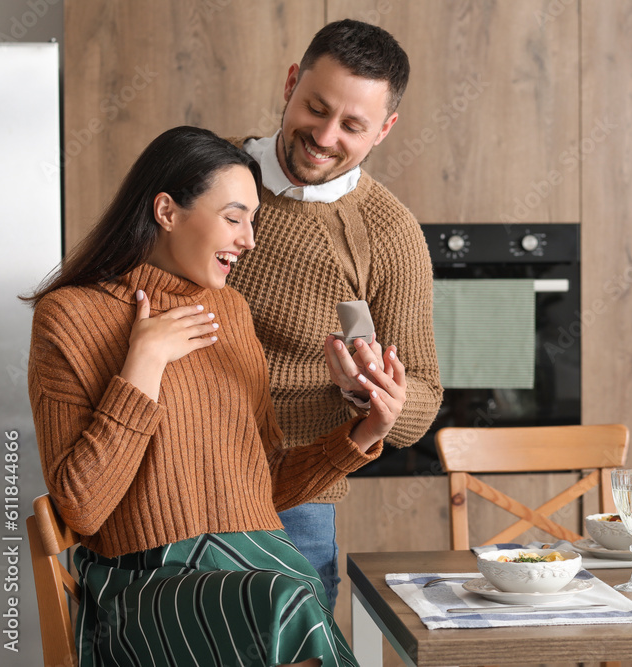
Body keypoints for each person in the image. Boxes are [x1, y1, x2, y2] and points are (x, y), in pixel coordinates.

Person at [25, 126, 405, 667]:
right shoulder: (69, 316)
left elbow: (265, 482)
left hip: (256, 567)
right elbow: (82, 509)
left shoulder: (230, 313)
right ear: (166, 211)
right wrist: (143, 364)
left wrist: (364, 434)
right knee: (286, 600)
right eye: (234, 218)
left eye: (252, 220)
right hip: (147, 589)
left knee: (286, 595)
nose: (248, 240)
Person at [227, 18, 442, 606]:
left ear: (385, 130)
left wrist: (372, 395)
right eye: (315, 108)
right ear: (292, 82)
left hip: (295, 498)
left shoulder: (388, 233)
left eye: (352, 125)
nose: (324, 136)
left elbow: (419, 403)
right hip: (171, 471)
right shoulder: (204, 176)